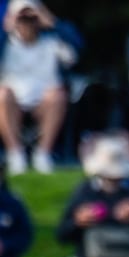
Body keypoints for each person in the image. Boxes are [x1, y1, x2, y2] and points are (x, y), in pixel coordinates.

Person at [0, 0, 78, 174]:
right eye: (22, 19)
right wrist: (6, 28)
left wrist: (54, 24)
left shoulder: (53, 42)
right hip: (13, 102)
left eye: (31, 19)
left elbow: (77, 50)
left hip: (44, 102)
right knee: (2, 95)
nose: (27, 24)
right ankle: (15, 154)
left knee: (57, 95)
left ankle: (43, 153)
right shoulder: (6, 44)